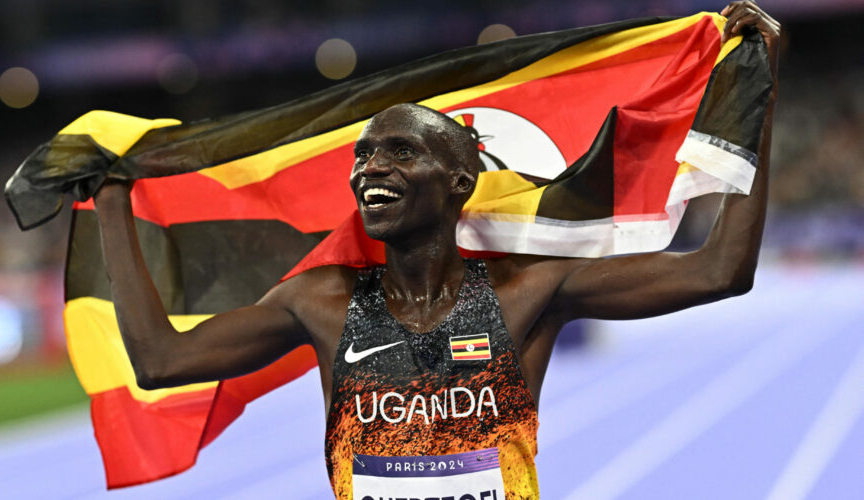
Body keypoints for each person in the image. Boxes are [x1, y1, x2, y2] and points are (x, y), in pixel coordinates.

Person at [91, 2, 779, 498]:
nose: (369, 168)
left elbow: (720, 271)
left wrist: (756, 94)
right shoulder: (322, 302)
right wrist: (113, 200)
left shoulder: (527, 291)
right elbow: (161, 362)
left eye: (399, 151)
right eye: (362, 156)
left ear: (458, 181)